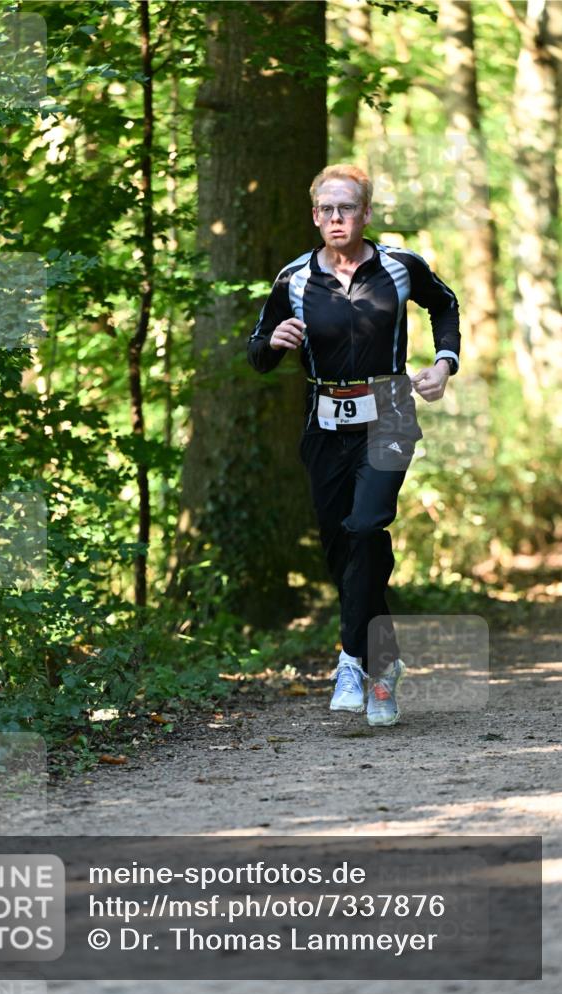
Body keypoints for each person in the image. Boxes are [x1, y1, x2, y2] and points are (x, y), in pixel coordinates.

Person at [246, 164, 461, 727]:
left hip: (389, 411)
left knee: (366, 525)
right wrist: (272, 340)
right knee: (345, 550)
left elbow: (445, 304)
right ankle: (384, 664)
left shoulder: (399, 265)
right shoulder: (292, 278)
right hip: (324, 421)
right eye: (325, 210)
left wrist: (444, 363)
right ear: (315, 216)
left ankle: (350, 660)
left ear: (366, 213)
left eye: (347, 208)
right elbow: (257, 351)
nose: (336, 218)